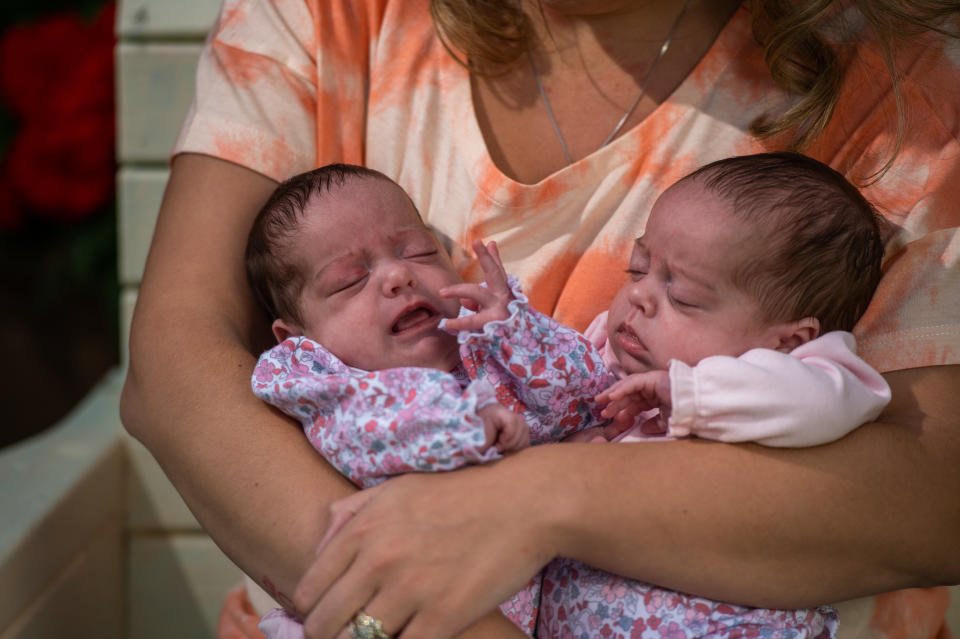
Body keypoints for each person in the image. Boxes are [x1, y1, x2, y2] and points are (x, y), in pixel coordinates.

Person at [119, 0, 960, 638]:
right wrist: (417, 616)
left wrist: (545, 496)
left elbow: (939, 485)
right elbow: (175, 367)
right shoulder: (337, 16)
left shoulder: (903, 100)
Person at [249, 153, 890, 639]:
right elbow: (368, 429)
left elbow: (833, 399)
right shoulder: (318, 376)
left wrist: (516, 330)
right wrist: (474, 423)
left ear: (791, 338)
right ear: (295, 335)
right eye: (636, 270)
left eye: (418, 251)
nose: (396, 275)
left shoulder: (808, 374)